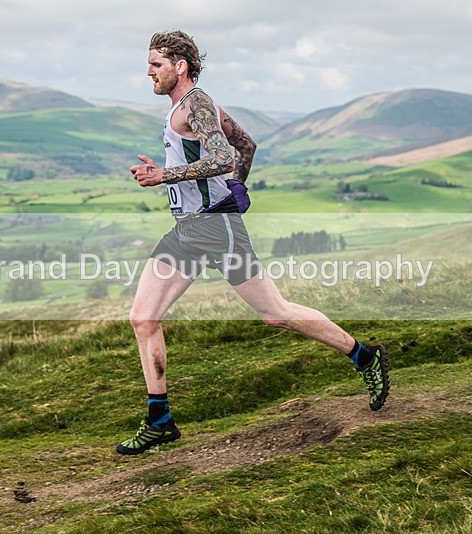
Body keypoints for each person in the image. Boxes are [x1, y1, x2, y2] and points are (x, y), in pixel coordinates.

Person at [116, 30, 389, 455]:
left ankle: (366, 357)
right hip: (188, 231)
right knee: (143, 319)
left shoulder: (198, 104)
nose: (148, 71)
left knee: (275, 313)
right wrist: (236, 186)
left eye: (156, 64)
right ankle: (160, 421)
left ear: (180, 67)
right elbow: (246, 144)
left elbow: (224, 156)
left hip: (216, 229)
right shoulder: (183, 108)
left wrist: (167, 176)